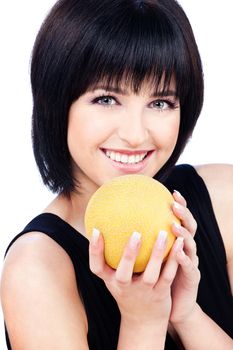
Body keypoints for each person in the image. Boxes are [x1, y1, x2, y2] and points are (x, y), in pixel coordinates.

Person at [1, 0, 233, 349]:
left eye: (160, 103)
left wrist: (186, 314)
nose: (136, 134)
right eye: (107, 99)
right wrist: (143, 321)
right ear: (57, 102)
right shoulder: (37, 270)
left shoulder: (224, 199)